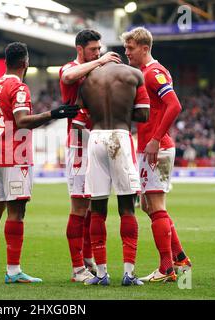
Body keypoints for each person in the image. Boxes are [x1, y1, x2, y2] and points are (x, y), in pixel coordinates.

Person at [0, 42, 79, 284]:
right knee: (16, 212)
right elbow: (22, 121)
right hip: (16, 156)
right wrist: (53, 114)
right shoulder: (19, 87)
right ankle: (13, 271)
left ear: (6, 62)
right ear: (25, 62)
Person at [121, 27, 192, 282]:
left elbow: (175, 105)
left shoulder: (154, 73)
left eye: (130, 48)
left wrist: (154, 139)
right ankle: (179, 257)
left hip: (157, 148)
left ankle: (167, 269)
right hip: (150, 147)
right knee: (150, 206)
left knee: (155, 205)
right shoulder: (145, 73)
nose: (127, 52)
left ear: (144, 48)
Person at [79, 58, 150, 286]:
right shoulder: (134, 74)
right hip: (120, 136)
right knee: (127, 207)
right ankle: (128, 273)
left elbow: (82, 117)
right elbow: (144, 115)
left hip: (96, 138)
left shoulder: (87, 78)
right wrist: (121, 112)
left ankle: (101, 274)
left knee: (97, 209)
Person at [59, 29, 121, 282]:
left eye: (99, 49)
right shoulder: (71, 67)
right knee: (78, 207)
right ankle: (77, 269)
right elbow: (69, 76)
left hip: (100, 142)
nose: (98, 53)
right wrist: (101, 61)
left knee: (94, 206)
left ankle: (87, 259)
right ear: (80, 49)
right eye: (93, 49)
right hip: (79, 145)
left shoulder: (98, 69)